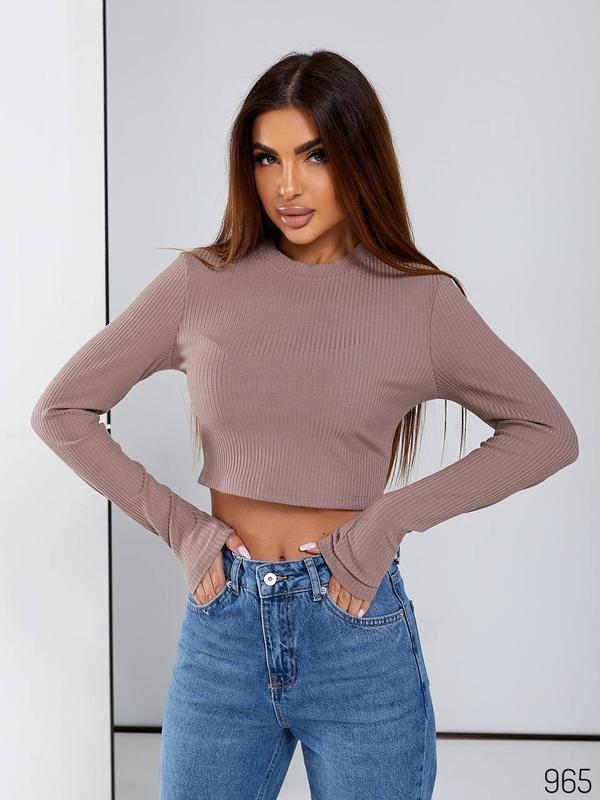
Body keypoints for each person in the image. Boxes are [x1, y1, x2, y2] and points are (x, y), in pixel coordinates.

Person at [30, 50, 578, 800]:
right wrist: (184, 530)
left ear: (359, 156)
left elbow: (546, 432)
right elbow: (61, 411)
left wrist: (389, 521)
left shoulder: (420, 302)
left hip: (356, 632)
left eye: (314, 155)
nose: (287, 185)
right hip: (222, 632)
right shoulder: (199, 284)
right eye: (267, 158)